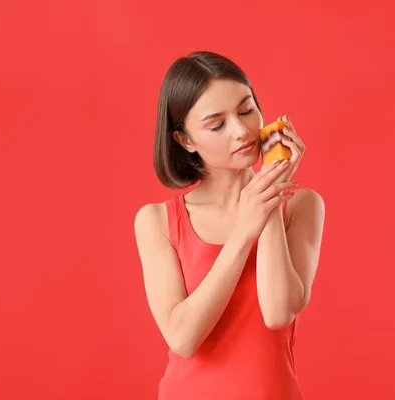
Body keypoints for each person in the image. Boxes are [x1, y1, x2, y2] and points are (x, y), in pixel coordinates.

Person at [134, 51, 325, 400]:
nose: (242, 131)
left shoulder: (302, 205)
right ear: (185, 140)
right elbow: (183, 337)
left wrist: (267, 196)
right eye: (217, 124)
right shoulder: (157, 220)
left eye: (246, 109)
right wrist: (244, 230)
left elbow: (278, 312)